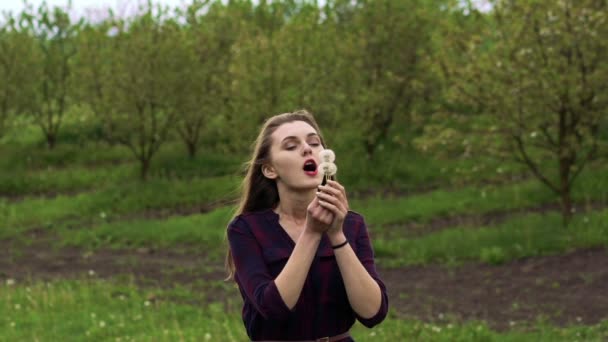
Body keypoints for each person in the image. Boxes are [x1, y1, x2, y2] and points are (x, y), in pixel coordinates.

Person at [225, 110, 388, 342]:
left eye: (314, 142)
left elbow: (373, 313)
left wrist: (337, 235)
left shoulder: (352, 224)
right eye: (291, 146)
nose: (307, 149)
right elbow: (272, 308)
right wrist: (312, 232)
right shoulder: (246, 229)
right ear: (270, 169)